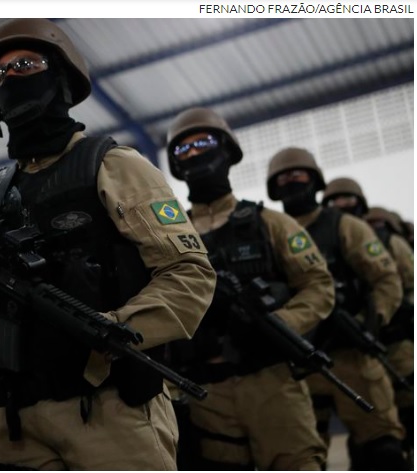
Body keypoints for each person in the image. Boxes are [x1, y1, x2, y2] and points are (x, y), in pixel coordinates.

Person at [0, 18, 215, 471]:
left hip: (110, 412)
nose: (12, 77)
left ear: (61, 75)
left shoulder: (113, 166)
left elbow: (190, 276)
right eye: (0, 74)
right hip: (13, 427)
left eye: (26, 64)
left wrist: (113, 330)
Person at [165, 107, 333, 470]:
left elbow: (318, 285)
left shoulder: (270, 223)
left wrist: (280, 324)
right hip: (204, 392)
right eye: (183, 149)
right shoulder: (170, 237)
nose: (193, 153)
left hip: (270, 382)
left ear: (226, 150)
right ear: (175, 164)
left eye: (203, 143)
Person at [266, 149, 409, 470]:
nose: (291, 182)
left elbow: (386, 280)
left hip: (352, 357)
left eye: (298, 175)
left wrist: (370, 321)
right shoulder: (271, 229)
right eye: (283, 178)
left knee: (382, 450)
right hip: (300, 363)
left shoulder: (344, 226)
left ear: (314, 180)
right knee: (302, 457)